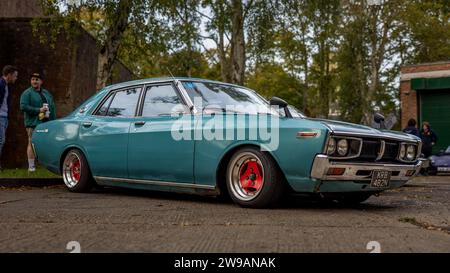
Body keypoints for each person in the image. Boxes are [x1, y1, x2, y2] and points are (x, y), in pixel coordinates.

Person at [20, 72, 56, 172]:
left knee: (46, 143)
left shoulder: (46, 93)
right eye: (32, 79)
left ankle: (46, 166)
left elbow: (52, 107)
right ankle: (31, 167)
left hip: (47, 122)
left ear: (41, 81)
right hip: (33, 123)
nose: (34, 81)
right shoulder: (27, 93)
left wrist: (53, 122)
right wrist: (38, 110)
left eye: (37, 79)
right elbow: (23, 107)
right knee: (31, 142)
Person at [0, 65, 18, 171]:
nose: (16, 78)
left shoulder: (6, 85)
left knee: (2, 141)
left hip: (4, 117)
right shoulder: (1, 84)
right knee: (1, 141)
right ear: (9, 75)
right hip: (0, 116)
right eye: (15, 76)